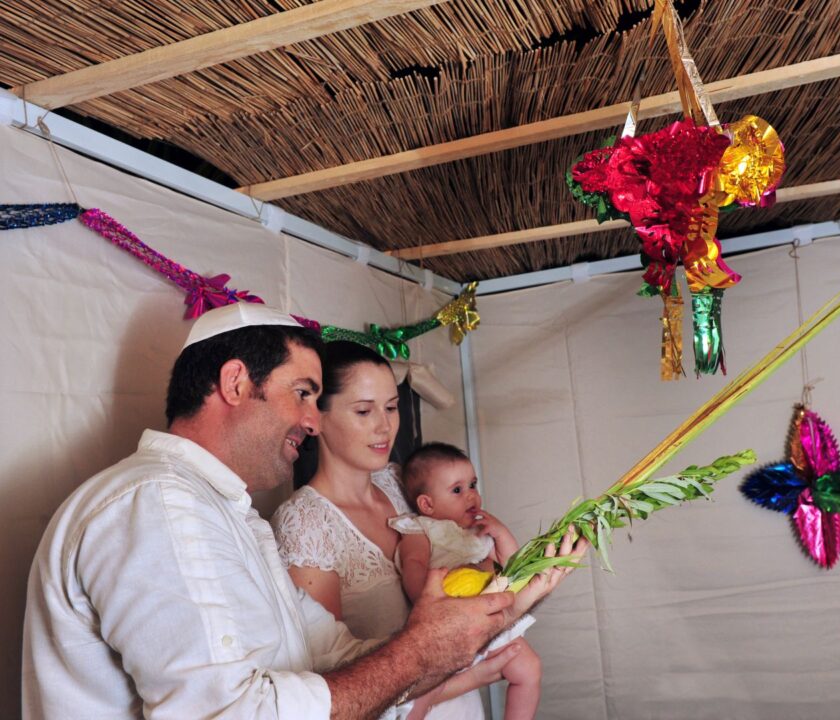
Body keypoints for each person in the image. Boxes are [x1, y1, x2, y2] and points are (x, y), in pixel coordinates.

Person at [22, 302, 583, 719]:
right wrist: (419, 653)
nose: (313, 422)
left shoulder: (230, 513)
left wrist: (504, 603)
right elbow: (230, 712)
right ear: (236, 383)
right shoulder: (158, 502)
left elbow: (329, 653)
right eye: (304, 394)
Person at [271, 341, 511, 719]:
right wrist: (478, 673)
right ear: (316, 416)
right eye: (364, 410)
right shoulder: (304, 523)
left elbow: (470, 553)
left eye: (392, 407)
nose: (385, 426)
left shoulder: (403, 482)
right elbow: (330, 686)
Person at [394, 442, 542, 720]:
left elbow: (516, 567)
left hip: (489, 624)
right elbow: (412, 565)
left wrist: (501, 533)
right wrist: (426, 599)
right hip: (446, 627)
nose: (471, 495)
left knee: (530, 669)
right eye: (457, 490)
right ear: (427, 504)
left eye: (473, 484)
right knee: (421, 692)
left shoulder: (480, 530)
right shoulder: (421, 529)